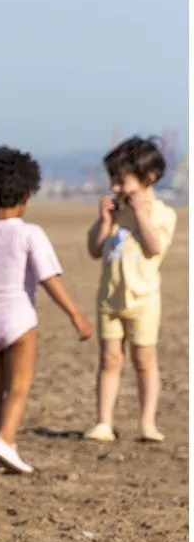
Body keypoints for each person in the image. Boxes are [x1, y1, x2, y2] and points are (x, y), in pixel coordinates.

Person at [0, 146, 93, 473]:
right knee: (20, 386)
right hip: (19, 319)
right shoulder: (30, 234)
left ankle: (6, 445)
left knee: (3, 386)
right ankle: (4, 440)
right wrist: (76, 316)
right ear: (28, 193)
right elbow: (49, 279)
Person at [84, 136, 178, 442]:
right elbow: (95, 250)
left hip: (143, 300)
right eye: (113, 180)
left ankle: (147, 422)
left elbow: (154, 248)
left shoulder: (163, 214)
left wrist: (139, 213)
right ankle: (104, 422)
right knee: (110, 359)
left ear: (148, 179)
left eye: (121, 181)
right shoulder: (113, 215)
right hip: (109, 299)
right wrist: (104, 221)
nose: (115, 188)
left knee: (144, 360)